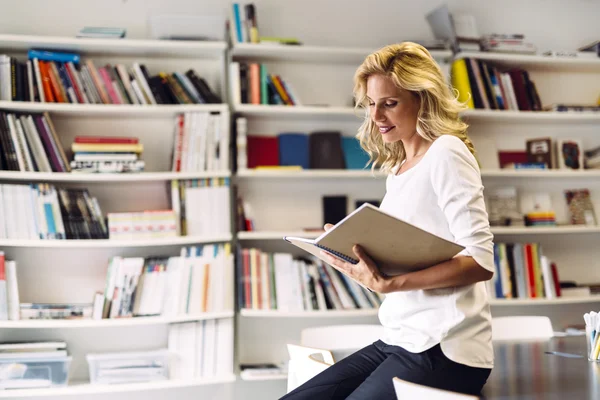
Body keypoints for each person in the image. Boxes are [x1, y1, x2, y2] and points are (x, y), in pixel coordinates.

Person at [280, 42, 495, 400]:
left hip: (445, 348)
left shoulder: (446, 152)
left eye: (389, 103)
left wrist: (389, 285)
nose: (376, 115)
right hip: (398, 339)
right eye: (370, 103)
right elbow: (406, 255)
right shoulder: (398, 169)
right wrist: (355, 253)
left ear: (421, 100)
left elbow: (480, 261)